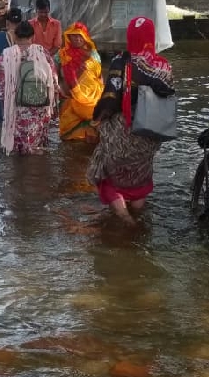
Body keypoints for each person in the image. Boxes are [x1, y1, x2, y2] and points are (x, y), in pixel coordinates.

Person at [87, 16, 175, 225]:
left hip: (124, 130)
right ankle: (136, 209)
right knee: (140, 172)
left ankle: (125, 218)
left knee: (106, 169)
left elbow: (111, 97)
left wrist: (97, 119)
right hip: (151, 133)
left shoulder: (122, 61)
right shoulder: (164, 65)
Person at [0, 21, 57, 155]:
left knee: (18, 138)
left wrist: (4, 106)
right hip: (39, 102)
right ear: (33, 36)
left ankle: (21, 166)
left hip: (17, 103)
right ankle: (34, 164)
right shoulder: (42, 51)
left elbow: (3, 85)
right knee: (36, 138)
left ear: (15, 36)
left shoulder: (7, 54)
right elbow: (53, 79)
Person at [57, 22, 103, 143]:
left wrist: (102, 92)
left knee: (92, 130)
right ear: (69, 37)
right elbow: (57, 74)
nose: (77, 39)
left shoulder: (93, 54)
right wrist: (62, 88)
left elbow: (99, 74)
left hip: (93, 95)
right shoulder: (63, 54)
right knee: (71, 133)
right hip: (71, 94)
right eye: (74, 36)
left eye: (80, 36)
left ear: (85, 37)